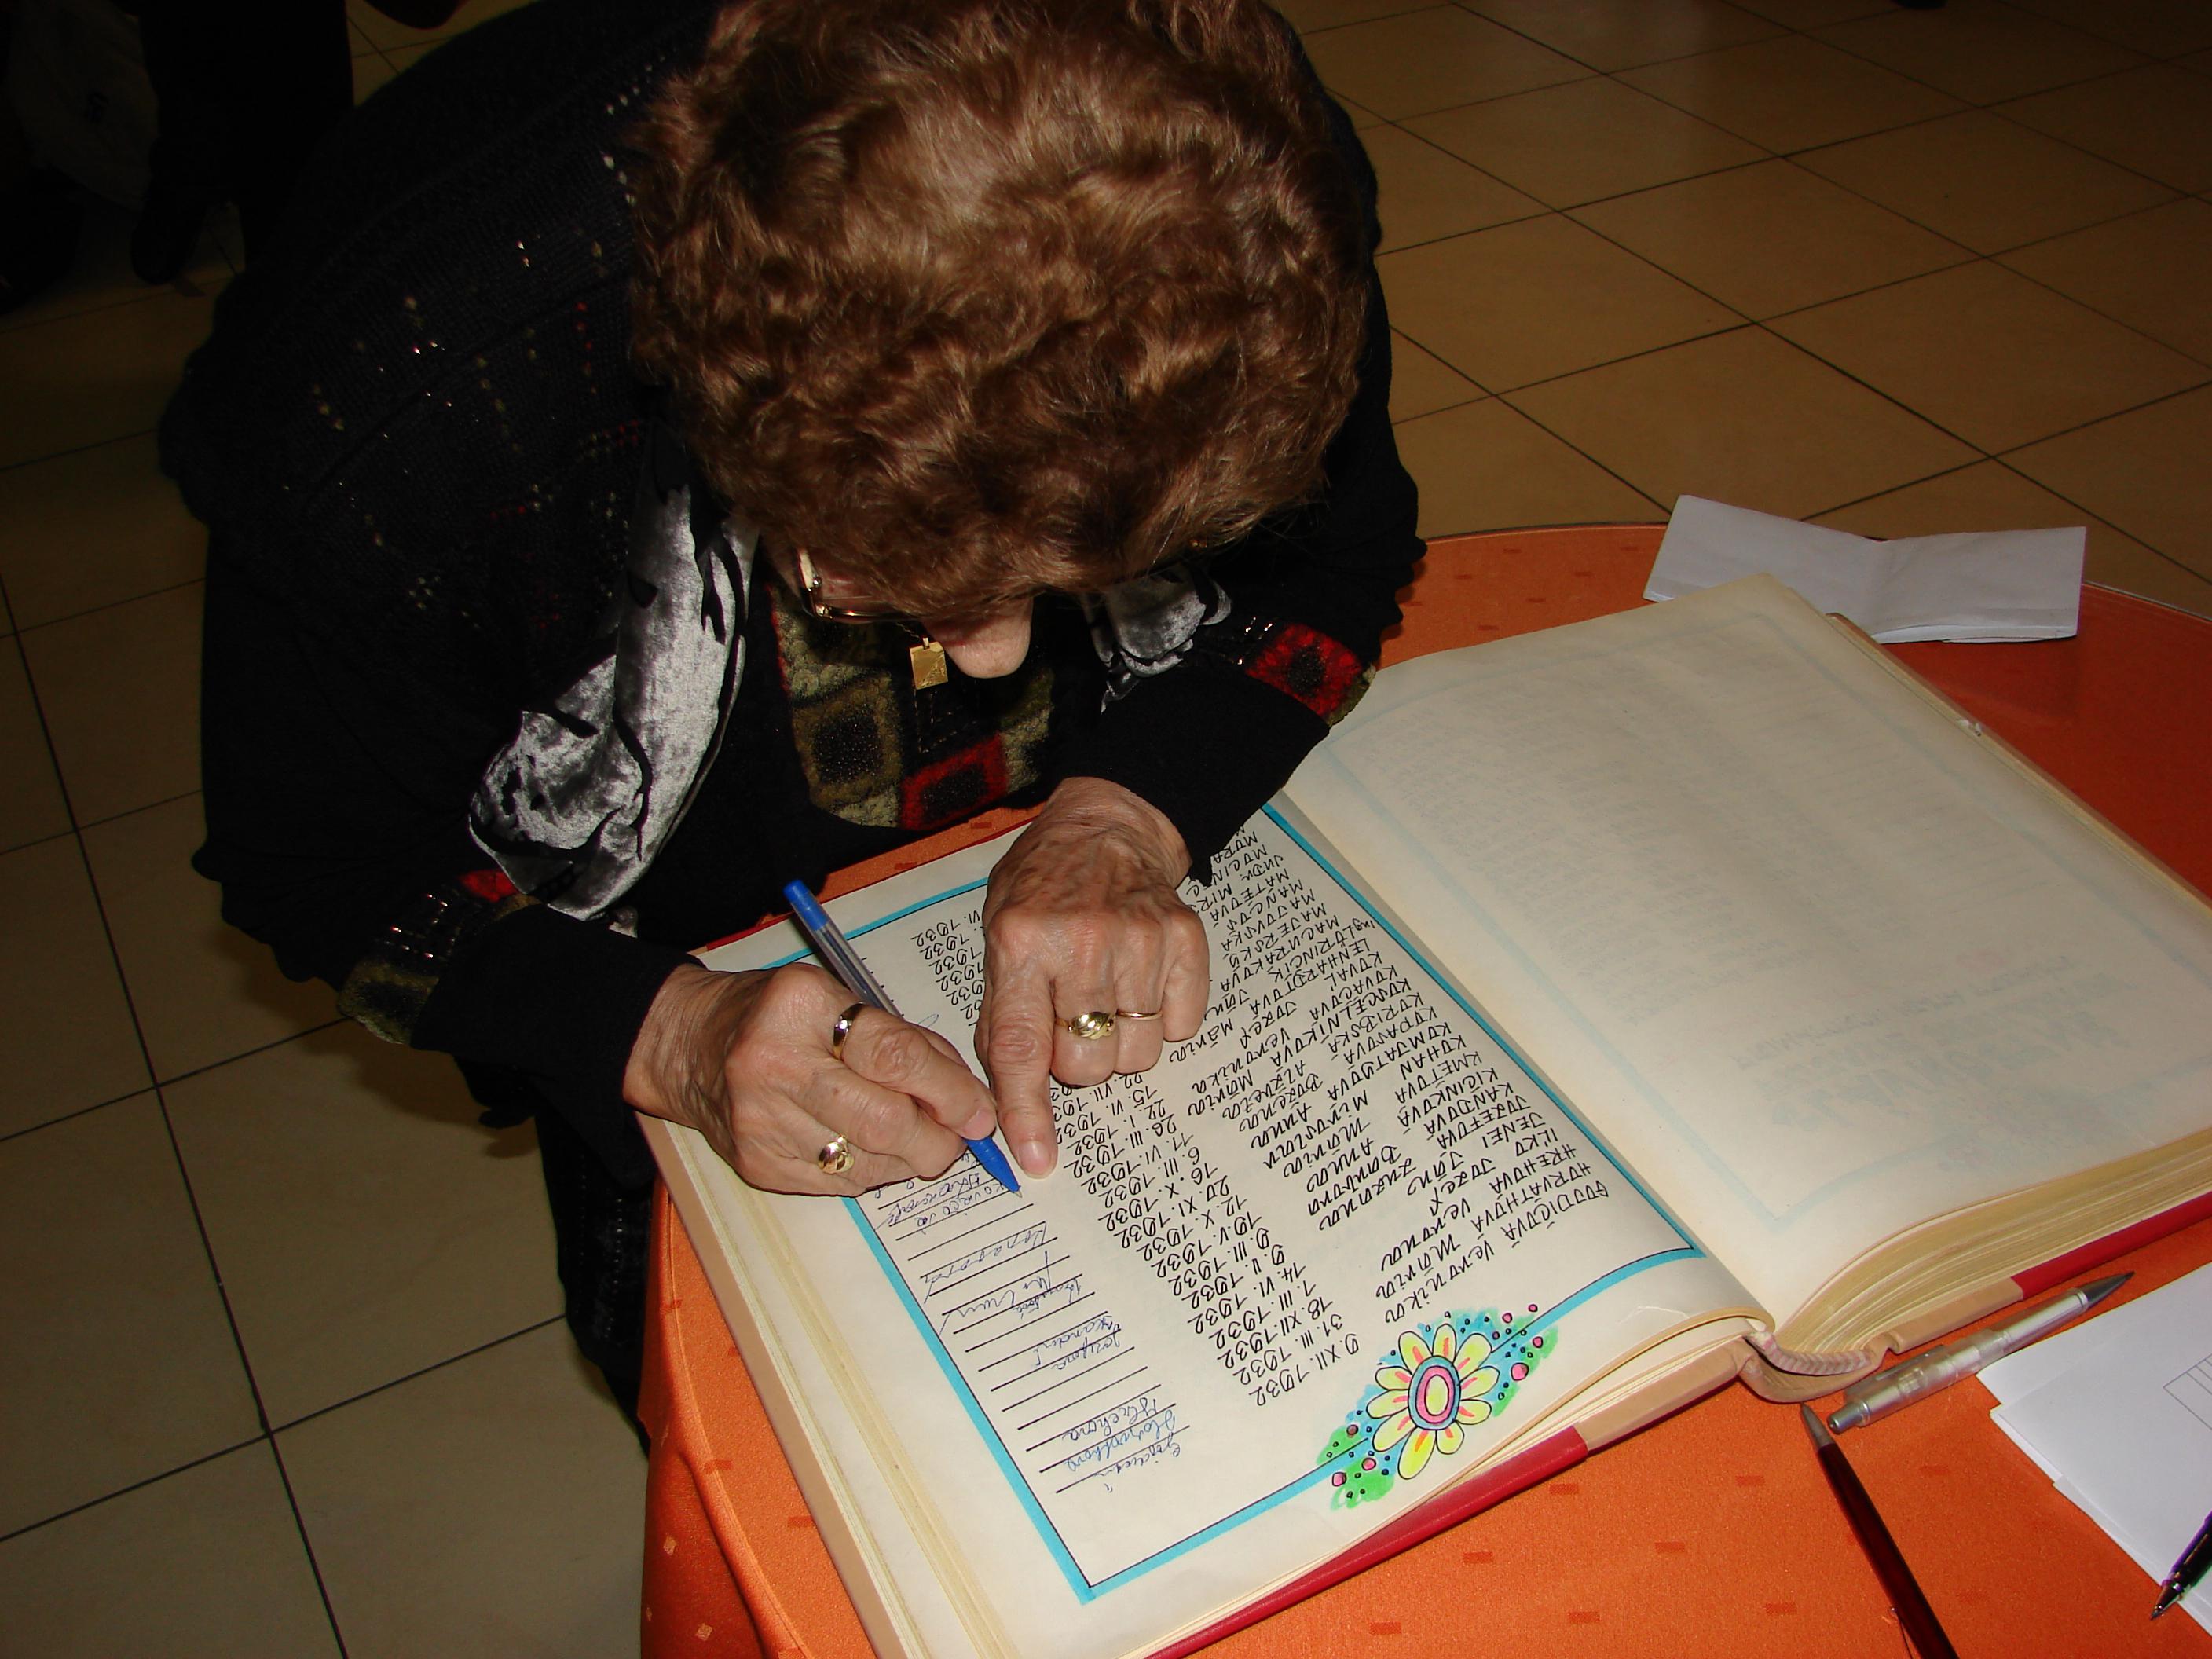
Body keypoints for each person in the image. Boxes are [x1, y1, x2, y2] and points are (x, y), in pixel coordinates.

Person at [163, 0, 1420, 1427]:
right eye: (898, 580)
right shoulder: (398, 390)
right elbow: (319, 868)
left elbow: (1343, 563)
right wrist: (670, 1035)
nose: (1001, 657)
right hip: (662, 935)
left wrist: (1128, 811)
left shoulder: (1236, 192)